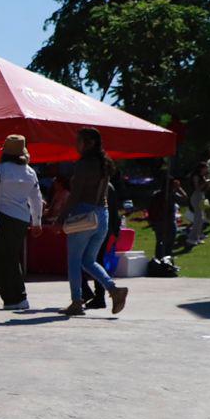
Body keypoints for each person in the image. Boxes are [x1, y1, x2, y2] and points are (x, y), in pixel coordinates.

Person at [57, 127, 130, 316]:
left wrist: (61, 217)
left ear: (89, 143)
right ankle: (114, 290)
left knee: (74, 261)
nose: (76, 144)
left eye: (79, 141)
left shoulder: (84, 164)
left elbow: (75, 195)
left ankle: (76, 301)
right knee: (89, 261)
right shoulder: (104, 163)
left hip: (84, 215)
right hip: (102, 215)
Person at [0, 135, 43, 311]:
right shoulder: (30, 172)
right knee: (8, 256)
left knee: (6, 258)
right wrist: (37, 221)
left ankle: (18, 298)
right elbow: (36, 198)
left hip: (3, 218)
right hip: (22, 219)